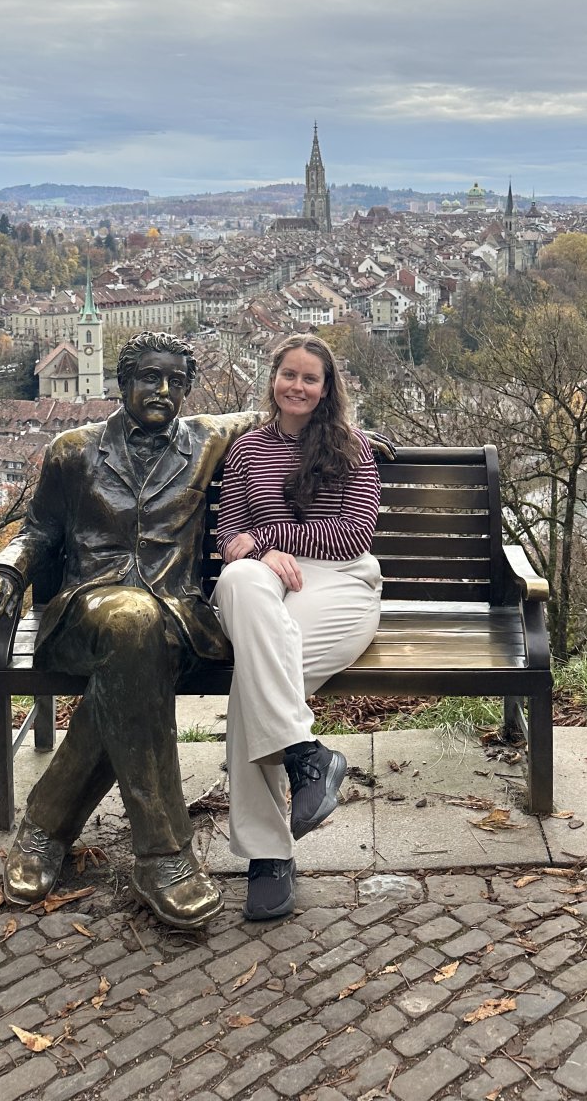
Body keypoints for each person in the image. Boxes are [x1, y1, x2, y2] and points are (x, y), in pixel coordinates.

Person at [0, 331, 259, 931]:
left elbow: (286, 410)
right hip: (83, 613)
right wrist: (4, 568)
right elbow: (39, 533)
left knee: (139, 641)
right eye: (150, 378)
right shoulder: (71, 450)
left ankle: (46, 826)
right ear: (122, 382)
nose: (162, 391)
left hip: (176, 620)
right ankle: (163, 854)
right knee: (131, 621)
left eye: (175, 381)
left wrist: (351, 435)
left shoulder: (206, 441)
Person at [212, 332, 382, 922]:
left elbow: (353, 533)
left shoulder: (352, 448)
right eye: (290, 374)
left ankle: (268, 859)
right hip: (263, 582)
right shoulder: (248, 449)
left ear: (327, 388)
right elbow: (228, 533)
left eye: (312, 378)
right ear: (274, 379)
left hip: (337, 582)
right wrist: (251, 553)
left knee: (250, 691)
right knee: (235, 582)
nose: (299, 386)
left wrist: (264, 540)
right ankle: (307, 756)